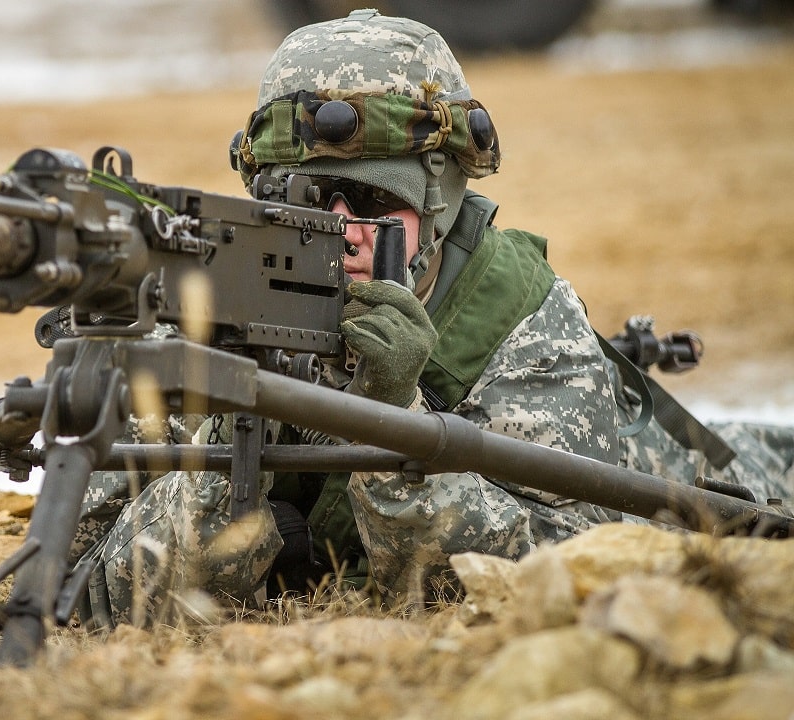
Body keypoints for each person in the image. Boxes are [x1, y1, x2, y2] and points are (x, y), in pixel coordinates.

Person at [67, 9, 793, 627]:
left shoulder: (520, 321)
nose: (342, 229)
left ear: (439, 204)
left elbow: (559, 573)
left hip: (663, 471)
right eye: (310, 200)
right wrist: (228, 450)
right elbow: (86, 583)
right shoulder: (202, 303)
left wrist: (396, 425)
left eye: (378, 205)